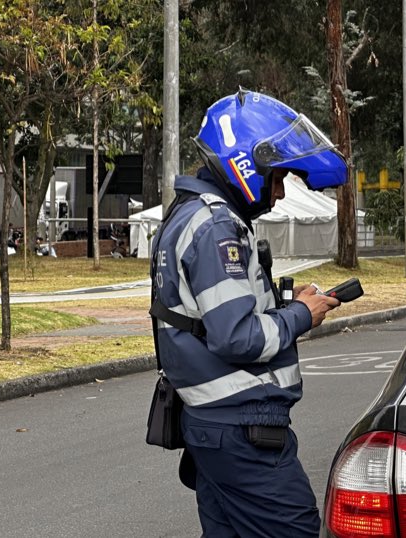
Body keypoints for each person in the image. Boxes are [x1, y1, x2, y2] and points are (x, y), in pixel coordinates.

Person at [151, 90, 347, 538]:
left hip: (211, 424)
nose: (278, 193)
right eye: (276, 178)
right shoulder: (218, 226)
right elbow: (235, 336)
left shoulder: (188, 214)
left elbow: (208, 311)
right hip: (241, 431)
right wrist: (301, 314)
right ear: (245, 163)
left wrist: (280, 300)